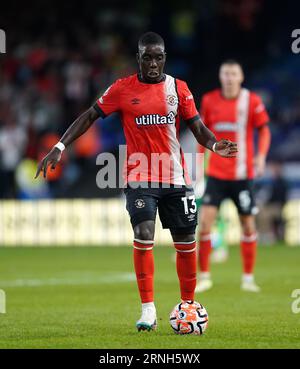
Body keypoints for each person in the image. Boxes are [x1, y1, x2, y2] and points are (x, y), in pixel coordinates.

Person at [35, 32, 237, 331]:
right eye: (147, 57)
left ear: (164, 58)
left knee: (185, 242)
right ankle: (148, 310)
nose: (153, 63)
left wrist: (215, 144)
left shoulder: (179, 89)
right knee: (143, 233)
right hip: (139, 175)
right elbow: (90, 116)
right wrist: (60, 146)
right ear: (138, 58)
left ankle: (188, 305)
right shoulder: (121, 88)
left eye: (158, 57)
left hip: (176, 177)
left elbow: (198, 127)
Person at [195, 59, 271, 293]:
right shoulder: (209, 100)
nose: (229, 77)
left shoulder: (252, 101)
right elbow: (201, 133)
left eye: (233, 73)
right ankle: (205, 276)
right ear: (220, 77)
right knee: (205, 224)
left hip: (242, 176)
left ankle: (248, 278)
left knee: (248, 226)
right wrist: (199, 165)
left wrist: (261, 156)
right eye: (225, 73)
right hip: (216, 174)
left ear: (241, 77)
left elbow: (264, 129)